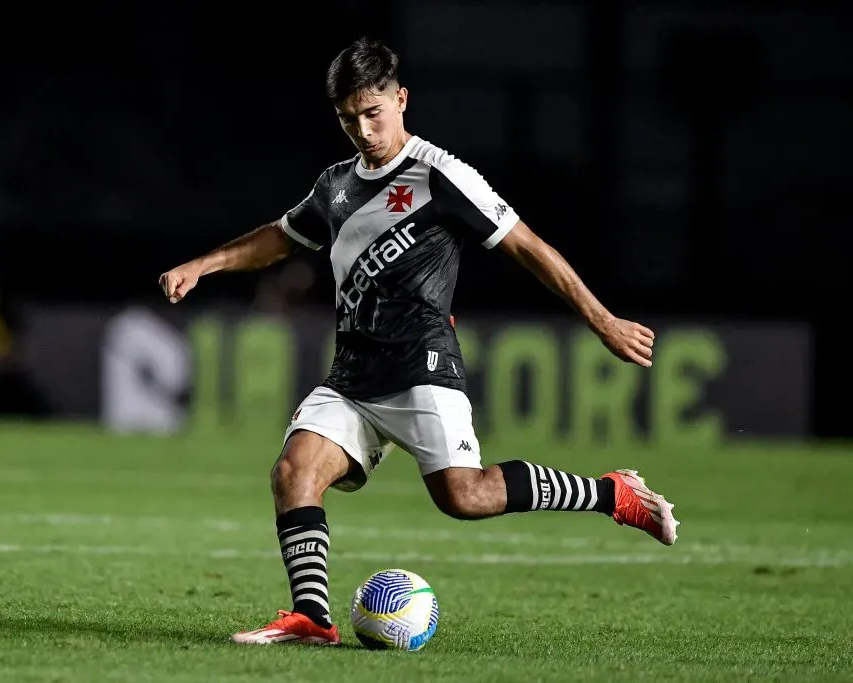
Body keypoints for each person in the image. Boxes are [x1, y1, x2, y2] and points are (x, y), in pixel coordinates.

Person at [158, 37, 678, 647]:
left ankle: (613, 493)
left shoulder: (441, 175)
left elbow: (528, 247)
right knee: (294, 471)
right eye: (348, 118)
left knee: (464, 496)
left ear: (401, 99)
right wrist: (204, 264)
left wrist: (602, 320)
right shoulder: (335, 186)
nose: (363, 130)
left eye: (372, 112)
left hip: (421, 365)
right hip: (353, 374)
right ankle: (312, 619)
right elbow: (280, 237)